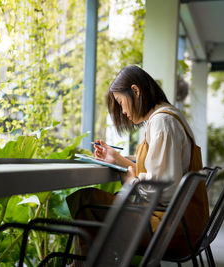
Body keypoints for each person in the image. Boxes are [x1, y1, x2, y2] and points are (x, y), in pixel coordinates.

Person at [66, 65, 209, 258]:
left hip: (169, 228)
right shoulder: (167, 117)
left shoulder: (162, 123)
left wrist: (131, 181)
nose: (123, 111)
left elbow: (164, 190)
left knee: (85, 200)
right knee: (100, 204)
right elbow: (158, 174)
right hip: (180, 222)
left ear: (135, 91)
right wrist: (117, 159)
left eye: (120, 102)